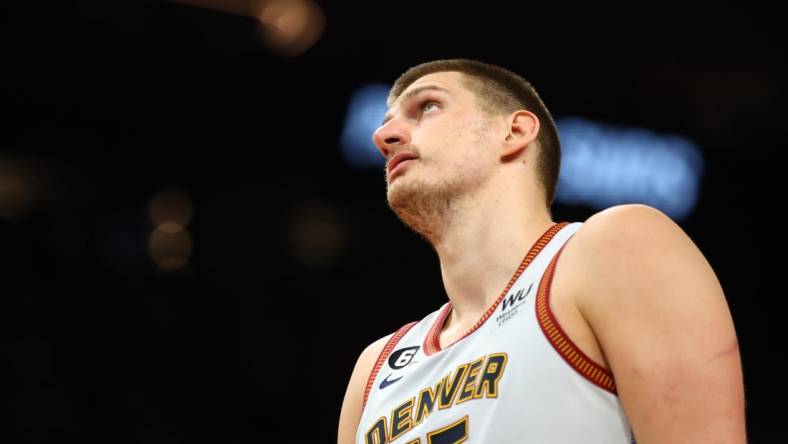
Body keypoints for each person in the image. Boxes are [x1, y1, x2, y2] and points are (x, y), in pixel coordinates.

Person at [337, 59, 746, 444]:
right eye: (386, 123)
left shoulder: (613, 245)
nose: (383, 137)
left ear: (513, 132)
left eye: (427, 106)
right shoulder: (375, 367)